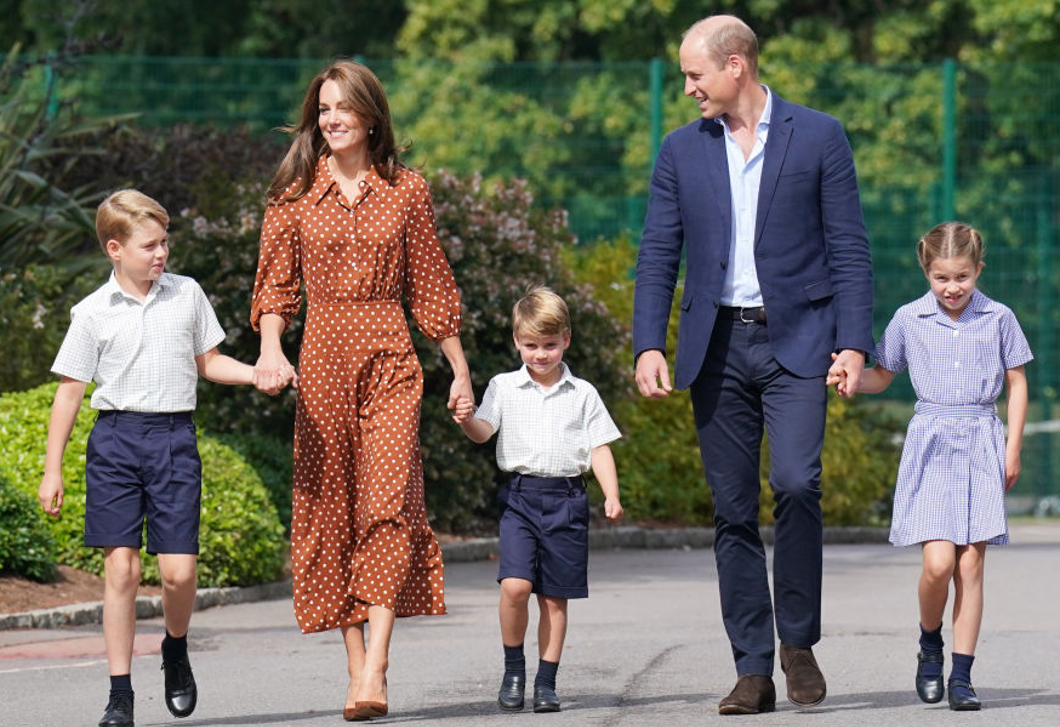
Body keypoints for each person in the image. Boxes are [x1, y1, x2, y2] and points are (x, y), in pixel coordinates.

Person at [632, 14, 875, 714]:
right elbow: (657, 253)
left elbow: (849, 248)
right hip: (715, 348)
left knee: (798, 484)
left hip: (798, 341)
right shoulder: (681, 151)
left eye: (694, 74)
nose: (686, 89)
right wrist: (649, 342)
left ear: (736, 66)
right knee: (733, 509)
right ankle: (753, 666)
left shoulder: (819, 135)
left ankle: (797, 641)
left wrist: (853, 343)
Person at [250, 59, 472, 721]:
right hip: (320, 362)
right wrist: (269, 349)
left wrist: (459, 369)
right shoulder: (293, 193)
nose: (332, 119)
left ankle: (377, 661)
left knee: (386, 502)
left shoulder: (407, 190)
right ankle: (356, 672)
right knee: (332, 514)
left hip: (391, 361)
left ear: (372, 115)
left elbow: (430, 284)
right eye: (323, 109)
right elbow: (276, 287)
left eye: (344, 107)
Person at [38, 189, 257, 727]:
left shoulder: (186, 295)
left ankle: (175, 651)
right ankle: (120, 695)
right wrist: (52, 468)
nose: (162, 254)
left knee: (179, 575)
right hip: (114, 441)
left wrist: (256, 374)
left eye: (165, 243)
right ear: (115, 248)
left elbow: (210, 362)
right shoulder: (90, 313)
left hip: (173, 439)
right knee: (122, 571)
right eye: (150, 245)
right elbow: (69, 393)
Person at [828, 222, 1031, 711]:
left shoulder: (999, 317)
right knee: (938, 564)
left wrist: (1013, 448)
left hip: (982, 439)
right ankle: (930, 643)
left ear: (978, 270)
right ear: (927, 272)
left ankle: (962, 676)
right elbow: (883, 374)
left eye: (962, 276)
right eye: (941, 277)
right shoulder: (909, 318)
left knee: (971, 565)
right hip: (932, 442)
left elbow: (1017, 382)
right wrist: (849, 376)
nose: (952, 287)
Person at [452, 286, 623, 713]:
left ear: (566, 339)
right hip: (521, 498)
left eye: (549, 344)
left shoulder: (582, 393)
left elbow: (599, 447)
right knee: (515, 586)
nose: (540, 354)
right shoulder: (504, 387)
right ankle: (514, 670)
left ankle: (547, 682)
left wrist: (611, 494)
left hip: (567, 498)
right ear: (517, 342)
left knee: (553, 597)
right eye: (531, 345)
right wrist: (466, 419)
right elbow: (483, 432)